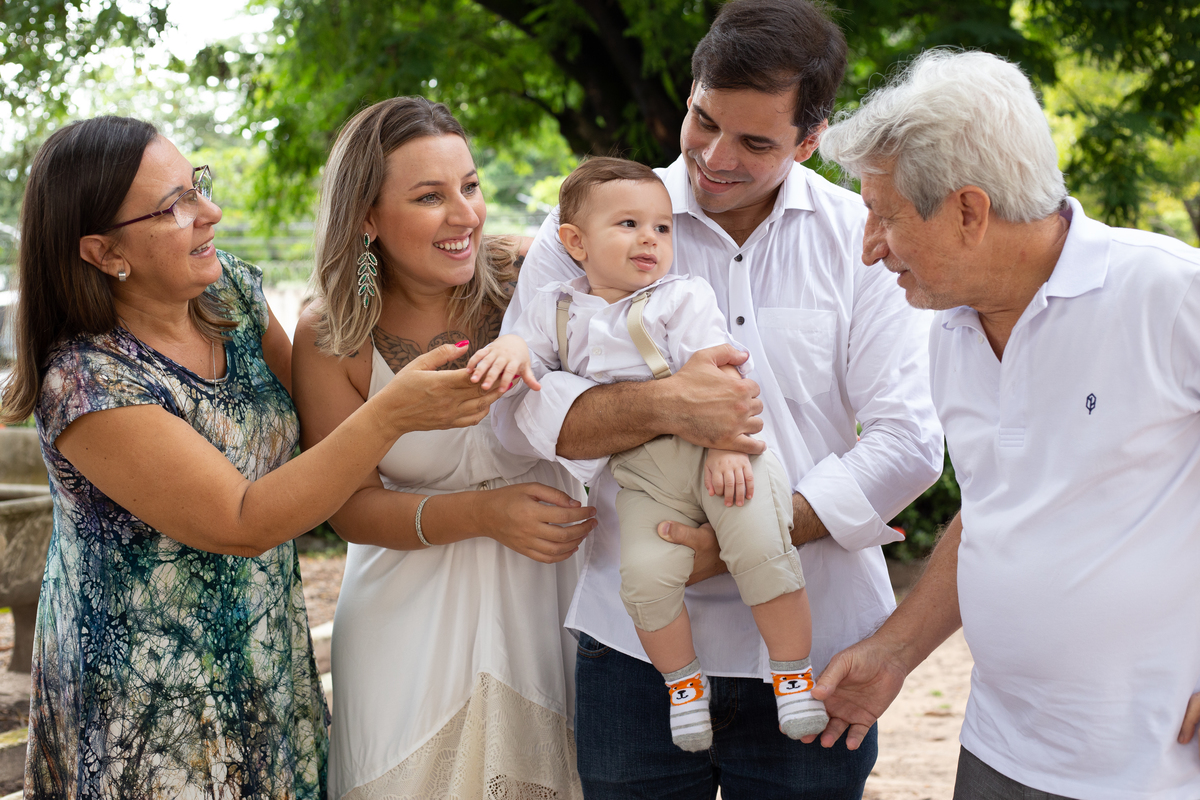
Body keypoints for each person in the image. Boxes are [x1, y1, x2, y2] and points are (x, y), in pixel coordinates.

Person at [492, 0, 944, 795]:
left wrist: (754, 534)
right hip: (632, 653)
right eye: (704, 121)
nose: (715, 157)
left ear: (810, 141)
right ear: (694, 93)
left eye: (756, 142)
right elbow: (520, 411)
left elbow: (908, 441)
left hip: (819, 653)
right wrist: (669, 407)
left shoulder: (860, 237)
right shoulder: (593, 221)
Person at [0, 116, 503, 798]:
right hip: (149, 711)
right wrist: (391, 413)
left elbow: (319, 423)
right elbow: (243, 520)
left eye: (196, 186)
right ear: (102, 251)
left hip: (268, 661)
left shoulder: (225, 292)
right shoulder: (88, 383)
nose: (211, 213)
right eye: (174, 206)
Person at [815, 49, 1200, 799]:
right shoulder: (949, 332)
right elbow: (997, 511)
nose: (869, 248)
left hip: (1156, 768)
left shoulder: (1169, 293)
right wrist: (895, 652)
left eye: (884, 216)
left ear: (968, 210)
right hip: (999, 750)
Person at [290, 96, 595, 800]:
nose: (465, 215)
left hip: (551, 607)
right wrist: (484, 515)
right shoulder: (333, 333)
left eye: (471, 186)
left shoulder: (536, 278)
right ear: (366, 217)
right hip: (407, 633)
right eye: (429, 196)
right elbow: (351, 509)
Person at [474, 157, 828, 752]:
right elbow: (525, 363)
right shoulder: (553, 309)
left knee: (762, 544)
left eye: (662, 228)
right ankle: (683, 684)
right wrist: (510, 347)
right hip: (645, 480)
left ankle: (792, 672)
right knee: (643, 577)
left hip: (721, 456)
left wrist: (723, 447)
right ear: (575, 242)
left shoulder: (681, 297)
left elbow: (724, 377)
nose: (650, 239)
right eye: (629, 225)